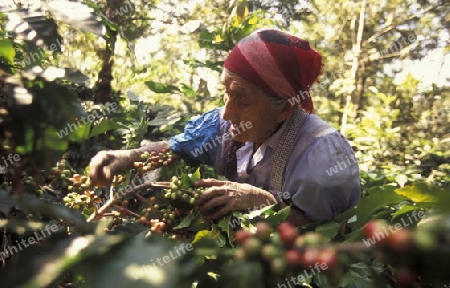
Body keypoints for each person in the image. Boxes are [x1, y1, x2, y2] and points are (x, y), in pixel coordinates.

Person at [89, 28, 361, 226]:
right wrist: (129, 156)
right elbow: (178, 147)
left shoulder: (321, 154)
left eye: (242, 100)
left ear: (286, 108)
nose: (228, 113)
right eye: (226, 93)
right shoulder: (220, 125)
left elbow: (327, 232)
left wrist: (262, 202)